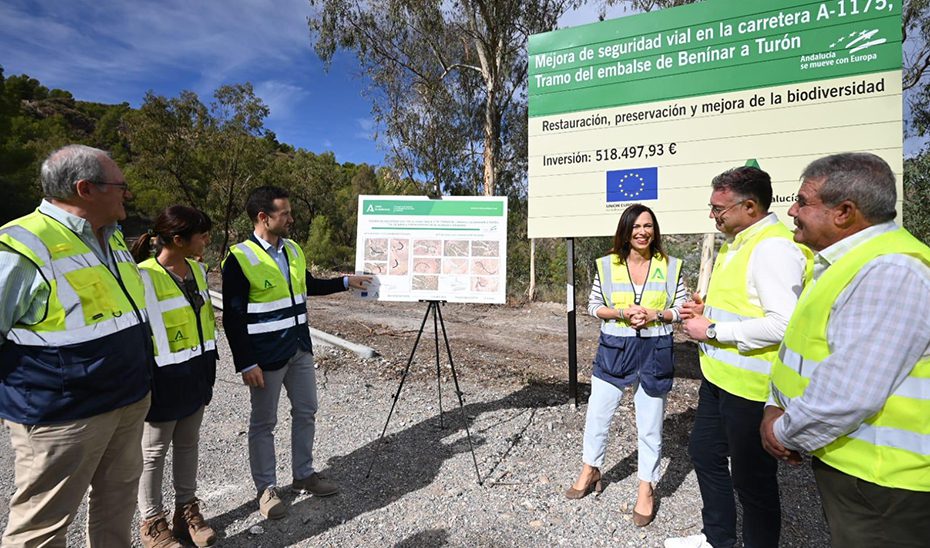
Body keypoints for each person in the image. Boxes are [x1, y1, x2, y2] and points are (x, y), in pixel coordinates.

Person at [762, 153, 930, 547]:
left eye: (802, 201)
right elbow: (807, 352)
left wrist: (782, 431)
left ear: (844, 213)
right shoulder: (846, 264)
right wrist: (774, 403)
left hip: (884, 484)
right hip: (858, 473)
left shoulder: (891, 271)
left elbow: (850, 394)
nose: (792, 210)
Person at [0, 144, 153, 546]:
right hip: (63, 418)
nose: (128, 193)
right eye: (120, 185)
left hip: (126, 401)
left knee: (116, 506)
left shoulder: (114, 239)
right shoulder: (21, 244)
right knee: (42, 527)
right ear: (85, 189)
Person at [666, 165, 812, 548]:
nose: (713, 215)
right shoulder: (741, 241)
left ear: (749, 206)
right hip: (719, 380)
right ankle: (718, 539)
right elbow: (747, 306)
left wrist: (712, 330)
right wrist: (706, 310)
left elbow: (784, 324)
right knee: (704, 452)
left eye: (719, 208)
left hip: (751, 389)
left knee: (753, 483)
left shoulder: (772, 248)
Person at [222, 185, 371, 520]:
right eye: (284, 213)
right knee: (264, 423)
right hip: (265, 356)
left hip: (299, 349)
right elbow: (232, 318)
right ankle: (266, 489)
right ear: (263, 217)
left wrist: (346, 281)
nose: (291, 218)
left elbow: (309, 285)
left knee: (306, 411)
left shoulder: (292, 249)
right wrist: (246, 361)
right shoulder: (239, 258)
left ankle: (303, 475)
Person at [565, 204, 686, 527]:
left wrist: (655, 314)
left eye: (648, 226)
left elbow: (681, 310)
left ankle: (646, 488)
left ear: (655, 230)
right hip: (614, 350)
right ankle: (591, 468)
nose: (643, 232)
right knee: (598, 414)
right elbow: (593, 307)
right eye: (636, 227)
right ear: (626, 231)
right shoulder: (606, 266)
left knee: (649, 425)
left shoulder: (672, 266)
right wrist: (621, 313)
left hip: (655, 351)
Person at [130, 206, 218, 548]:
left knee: (188, 445)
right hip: (161, 381)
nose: (206, 240)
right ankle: (152, 522)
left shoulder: (197, 270)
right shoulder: (143, 275)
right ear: (178, 239)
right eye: (202, 234)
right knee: (152, 454)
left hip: (197, 374)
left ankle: (186, 512)